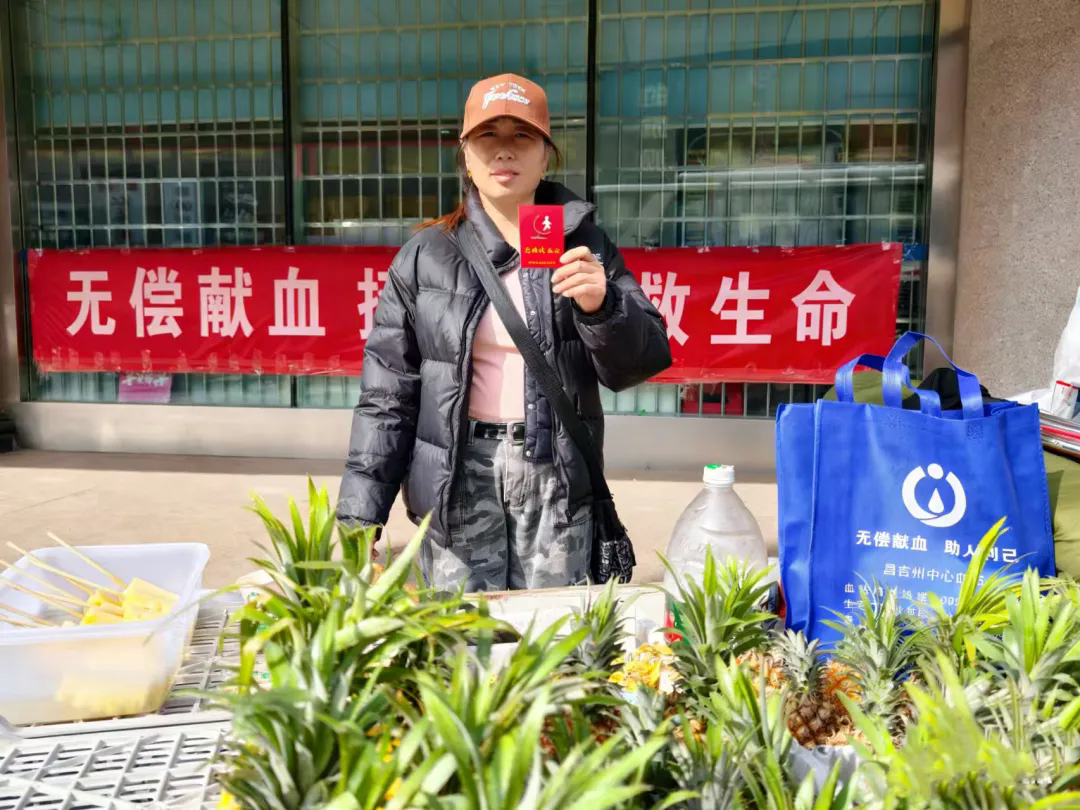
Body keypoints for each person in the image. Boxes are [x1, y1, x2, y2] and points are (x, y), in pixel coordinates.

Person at [337, 73, 672, 592]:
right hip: (455, 478)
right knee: (460, 635)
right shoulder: (426, 256)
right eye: (487, 136)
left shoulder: (583, 244)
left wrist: (603, 306)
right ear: (466, 156)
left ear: (546, 157)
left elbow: (641, 361)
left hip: (555, 474)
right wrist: (362, 516)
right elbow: (388, 396)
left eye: (523, 136)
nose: (504, 150)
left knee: (554, 633)